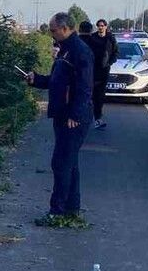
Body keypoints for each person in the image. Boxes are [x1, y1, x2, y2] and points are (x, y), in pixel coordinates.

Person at [21, 12, 93, 227]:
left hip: (73, 117)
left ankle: (57, 211)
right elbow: (57, 82)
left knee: (61, 163)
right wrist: (36, 80)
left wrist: (75, 114)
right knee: (69, 163)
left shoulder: (80, 51)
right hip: (63, 114)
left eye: (53, 30)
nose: (51, 34)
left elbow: (84, 87)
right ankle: (72, 209)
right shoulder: (65, 50)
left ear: (64, 28)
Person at [80, 20, 116, 128]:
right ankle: (96, 118)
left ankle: (81, 119)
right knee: (97, 96)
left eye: (102, 26)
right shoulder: (95, 41)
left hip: (86, 73)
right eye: (98, 26)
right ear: (92, 29)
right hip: (97, 73)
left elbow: (113, 53)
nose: (100, 28)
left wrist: (109, 63)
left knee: (85, 95)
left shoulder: (75, 41)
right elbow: (103, 56)